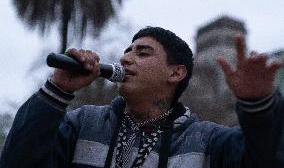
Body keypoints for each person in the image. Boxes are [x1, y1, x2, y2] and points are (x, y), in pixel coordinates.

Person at [0, 27, 283, 168]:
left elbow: (266, 159)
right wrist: (57, 89)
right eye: (127, 50)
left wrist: (259, 106)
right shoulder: (81, 123)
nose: (126, 58)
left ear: (176, 73)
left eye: (142, 52)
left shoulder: (209, 142)